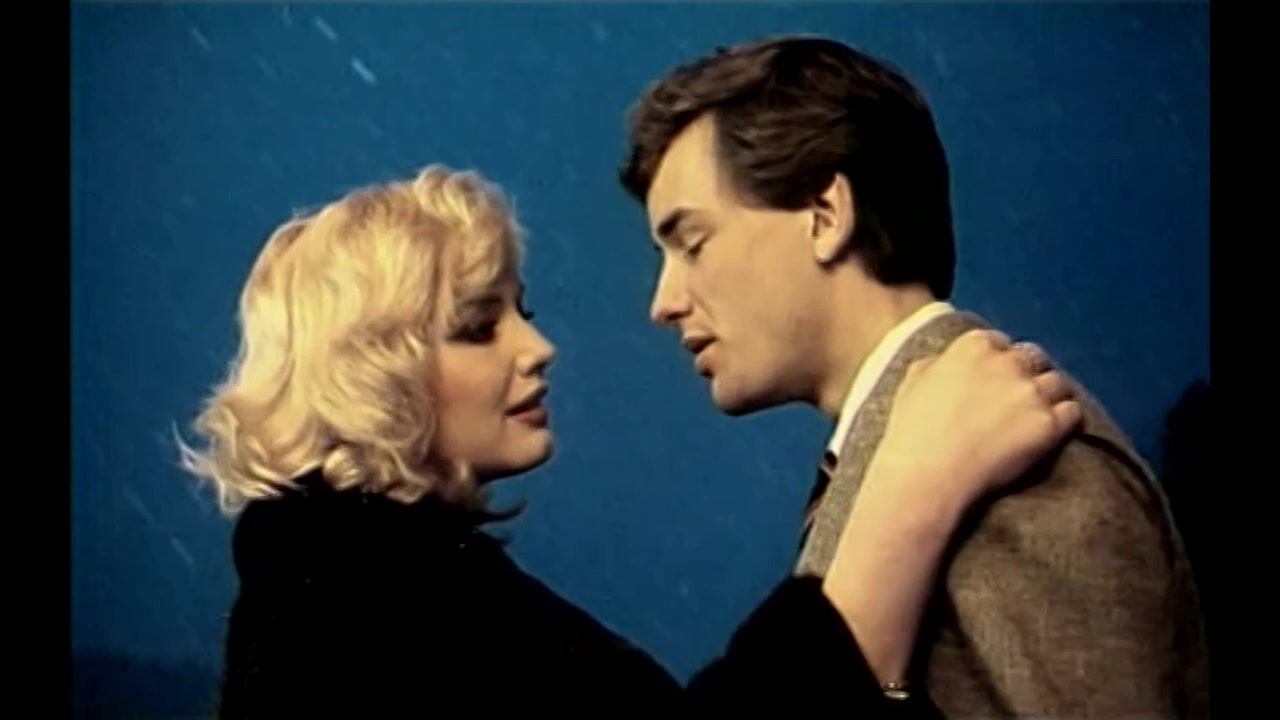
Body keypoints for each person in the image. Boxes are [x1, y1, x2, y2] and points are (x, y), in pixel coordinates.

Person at [180, 165, 1079, 718]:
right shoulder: (365, 612)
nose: (538, 348)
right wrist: (912, 496)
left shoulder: (350, 589)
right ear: (370, 371)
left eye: (523, 312)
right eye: (480, 325)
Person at [620, 35, 1209, 719]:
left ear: (825, 216)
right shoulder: (910, 452)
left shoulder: (1021, 475)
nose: (663, 302)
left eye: (691, 243)